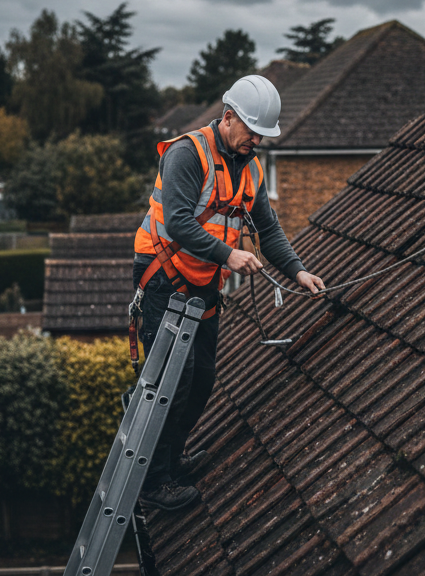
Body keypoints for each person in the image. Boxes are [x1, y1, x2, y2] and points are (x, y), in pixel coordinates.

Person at [131, 75, 324, 511]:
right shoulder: (187, 154)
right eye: (251, 131)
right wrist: (228, 256)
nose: (255, 141)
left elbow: (269, 229)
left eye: (262, 135)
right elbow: (179, 222)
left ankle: (170, 460)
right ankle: (152, 485)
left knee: (201, 381)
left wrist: (298, 271)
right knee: (171, 385)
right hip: (162, 276)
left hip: (202, 280)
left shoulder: (251, 167)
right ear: (229, 116)